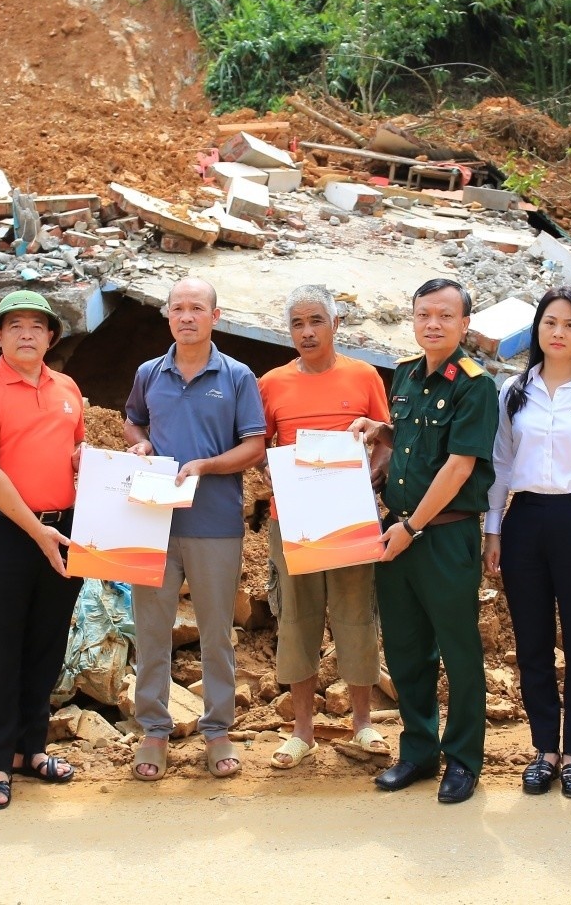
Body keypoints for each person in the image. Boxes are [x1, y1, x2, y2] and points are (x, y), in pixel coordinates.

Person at [349, 278, 497, 805]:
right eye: (423, 315)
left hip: (443, 535)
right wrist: (381, 430)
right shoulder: (406, 374)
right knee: (407, 648)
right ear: (412, 319)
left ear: (464, 324)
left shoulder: (475, 385)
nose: (433, 324)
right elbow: (415, 440)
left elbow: (459, 466)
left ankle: (463, 760)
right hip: (397, 534)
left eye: (445, 316)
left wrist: (411, 529)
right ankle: (418, 751)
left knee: (458, 651)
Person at [481, 286, 571, 800]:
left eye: (570, 324)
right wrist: (493, 529)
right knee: (533, 644)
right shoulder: (514, 390)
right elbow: (500, 463)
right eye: (550, 322)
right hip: (526, 521)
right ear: (537, 330)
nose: (558, 332)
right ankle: (544, 750)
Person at [124, 278, 266, 781]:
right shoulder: (149, 373)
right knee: (151, 629)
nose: (187, 316)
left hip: (216, 523)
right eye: (178, 308)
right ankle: (153, 731)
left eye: (197, 308)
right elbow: (133, 420)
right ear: (167, 315)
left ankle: (218, 730)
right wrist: (141, 443)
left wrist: (206, 466)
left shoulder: (237, 376)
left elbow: (255, 445)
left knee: (216, 633)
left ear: (215, 316)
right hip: (153, 521)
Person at [0, 291, 86, 810]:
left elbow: (73, 452)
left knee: (47, 641)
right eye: (15, 326)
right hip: (7, 533)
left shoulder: (68, 388)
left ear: (51, 337)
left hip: (65, 528)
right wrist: (36, 531)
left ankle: (32, 749)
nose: (27, 333)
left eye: (37, 325)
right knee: (3, 645)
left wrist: (86, 462)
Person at [257, 284, 392, 769]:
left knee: (356, 615)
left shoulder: (365, 375)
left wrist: (374, 473)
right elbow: (259, 445)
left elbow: (386, 437)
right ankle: (302, 732)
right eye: (298, 323)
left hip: (350, 517)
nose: (307, 332)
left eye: (316, 321)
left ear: (336, 324)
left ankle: (363, 723)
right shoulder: (271, 383)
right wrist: (270, 471)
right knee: (297, 619)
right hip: (292, 518)